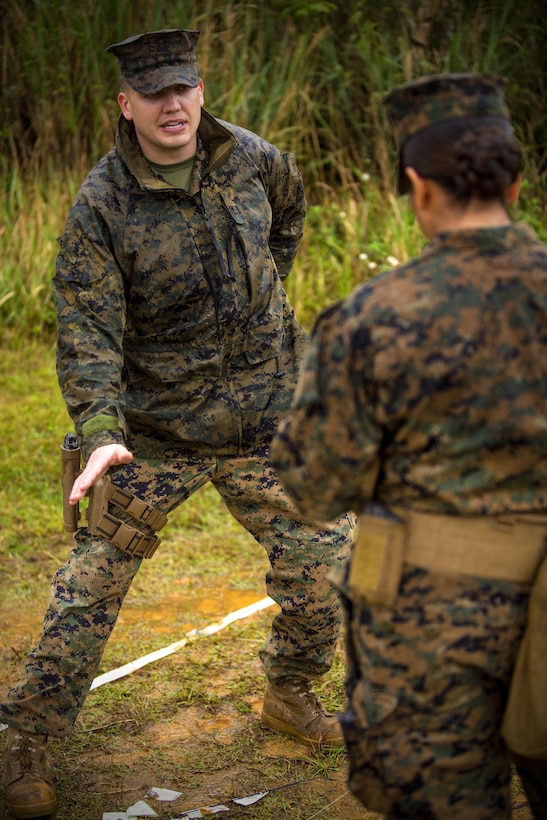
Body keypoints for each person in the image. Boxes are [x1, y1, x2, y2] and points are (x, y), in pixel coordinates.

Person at [0, 29, 352, 819]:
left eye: (183, 87)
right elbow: (87, 329)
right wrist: (100, 431)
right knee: (90, 586)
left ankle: (289, 694)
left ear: (200, 90)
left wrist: (262, 333)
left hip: (266, 418)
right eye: (154, 91)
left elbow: (285, 228)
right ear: (125, 104)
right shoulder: (101, 205)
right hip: (155, 429)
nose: (172, 104)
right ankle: (26, 738)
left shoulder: (254, 159)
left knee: (327, 565)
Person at [271, 72, 547, 819]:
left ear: (419, 189)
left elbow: (316, 487)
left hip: (431, 624)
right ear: (516, 181)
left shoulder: (372, 318)